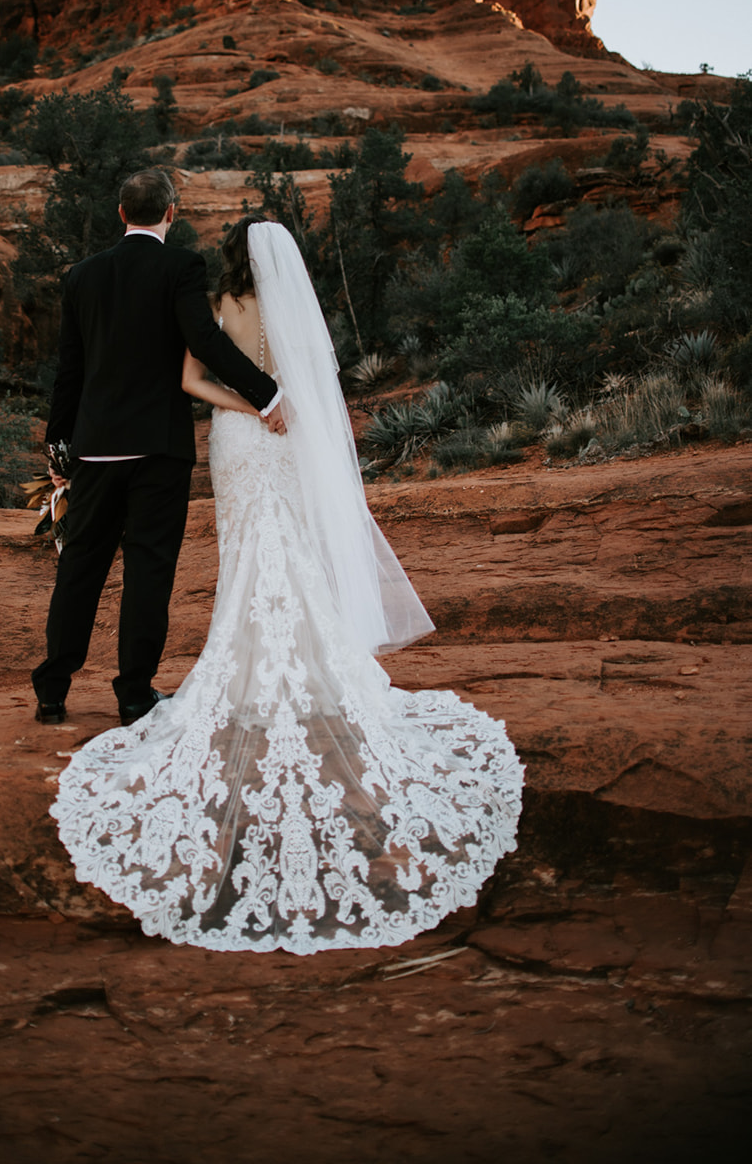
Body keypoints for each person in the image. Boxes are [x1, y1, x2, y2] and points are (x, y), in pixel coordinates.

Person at [52, 215, 523, 954]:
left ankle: (239, 682)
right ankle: (315, 670)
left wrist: (245, 408)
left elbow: (188, 378)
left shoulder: (215, 307)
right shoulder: (294, 311)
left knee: (245, 554)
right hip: (287, 433)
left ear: (233, 258)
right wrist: (279, 408)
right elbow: (315, 390)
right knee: (290, 548)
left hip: (239, 439)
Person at [31, 170, 284, 728]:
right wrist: (267, 396)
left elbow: (68, 370)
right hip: (158, 451)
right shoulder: (181, 267)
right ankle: (133, 695)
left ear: (121, 214)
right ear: (172, 212)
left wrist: (58, 448)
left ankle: (52, 689)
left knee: (80, 568)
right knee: (148, 572)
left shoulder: (82, 276)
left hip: (95, 450)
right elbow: (205, 341)